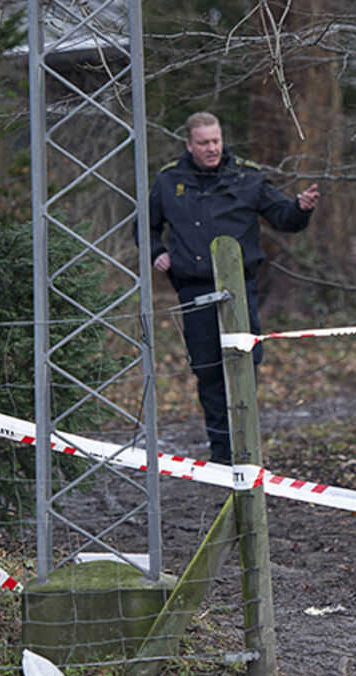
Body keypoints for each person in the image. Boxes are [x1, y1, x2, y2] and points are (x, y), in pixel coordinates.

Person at [145, 111, 320, 464]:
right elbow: (145, 226)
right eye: (204, 143)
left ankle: (246, 449)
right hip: (194, 290)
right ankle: (222, 456)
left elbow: (283, 217)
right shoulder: (168, 180)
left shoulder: (247, 176)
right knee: (208, 370)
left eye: (216, 141)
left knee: (243, 365)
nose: (212, 148)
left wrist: (301, 208)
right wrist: (156, 252)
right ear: (189, 145)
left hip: (240, 289)